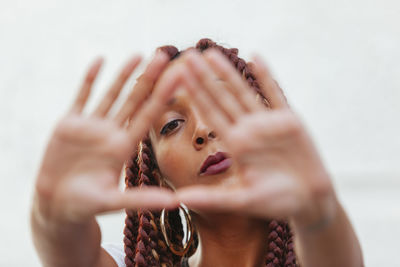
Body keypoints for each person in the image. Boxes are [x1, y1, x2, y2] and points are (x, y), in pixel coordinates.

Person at [30, 38, 363, 267]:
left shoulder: (325, 248)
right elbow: (72, 255)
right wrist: (53, 218)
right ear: (157, 174)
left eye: (221, 105)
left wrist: (319, 212)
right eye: (172, 124)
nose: (204, 130)